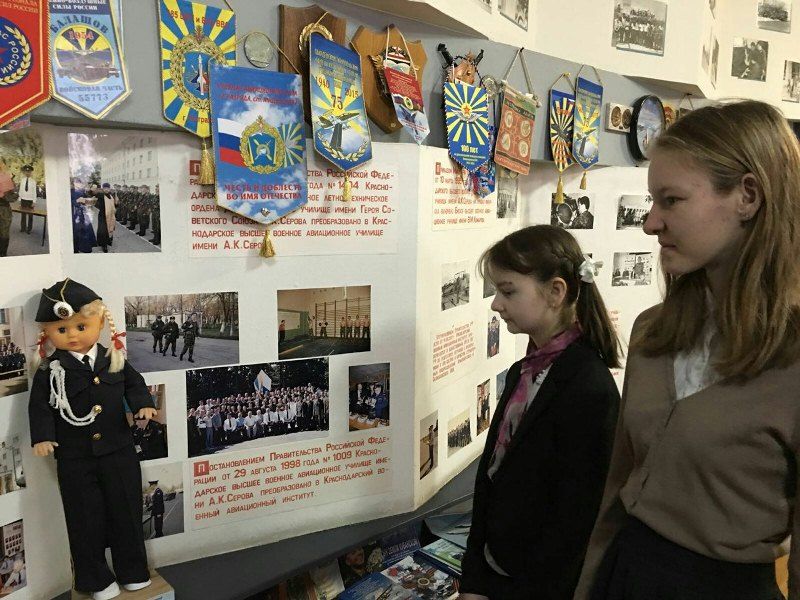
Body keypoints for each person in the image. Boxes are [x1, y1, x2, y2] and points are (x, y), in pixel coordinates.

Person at [575, 101, 800, 600]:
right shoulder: (653, 332)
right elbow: (617, 489)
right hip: (624, 573)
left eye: (671, 200)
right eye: (652, 201)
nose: (650, 223)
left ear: (747, 196)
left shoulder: (792, 358)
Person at [460, 225, 621, 600]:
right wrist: (474, 580)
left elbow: (575, 521)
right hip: (497, 571)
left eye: (508, 291)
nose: (496, 304)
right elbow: (490, 480)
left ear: (555, 292)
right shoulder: (524, 372)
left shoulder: (588, 388)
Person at [27, 279, 155, 599]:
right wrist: (43, 437)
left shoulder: (113, 359)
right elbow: (39, 406)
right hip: (75, 457)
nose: (72, 335)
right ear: (48, 332)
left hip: (118, 451)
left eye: (81, 326)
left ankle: (133, 570)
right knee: (84, 520)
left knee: (126, 512)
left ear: (99, 322)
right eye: (62, 329)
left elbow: (134, 384)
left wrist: (143, 404)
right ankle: (95, 579)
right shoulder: (51, 369)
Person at [17, 164, 36, 235]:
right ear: (24, 172)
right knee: (23, 214)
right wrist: (19, 199)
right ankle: (23, 228)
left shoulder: (33, 181)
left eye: (29, 171)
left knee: (30, 215)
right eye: (26, 171)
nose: (27, 173)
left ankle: (29, 229)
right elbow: (20, 190)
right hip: (23, 199)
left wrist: (34, 201)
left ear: (31, 172)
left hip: (30, 200)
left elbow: (34, 192)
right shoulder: (22, 180)